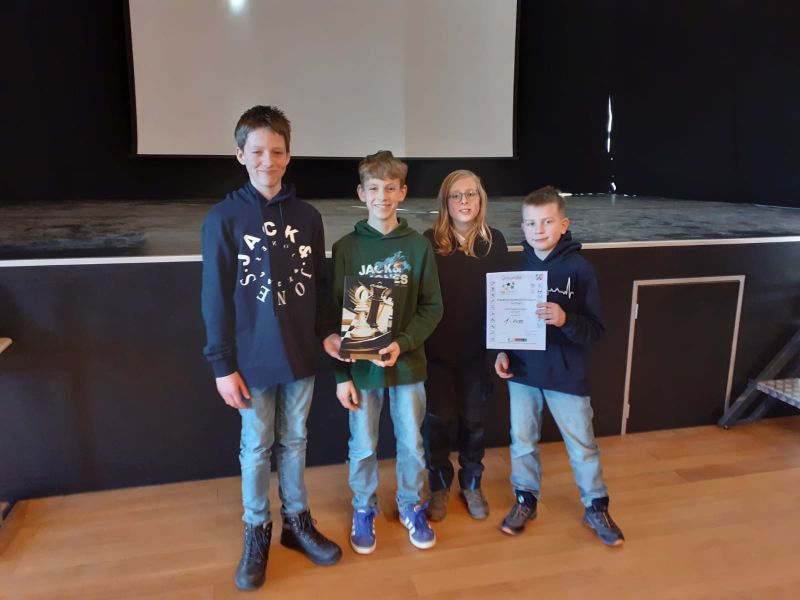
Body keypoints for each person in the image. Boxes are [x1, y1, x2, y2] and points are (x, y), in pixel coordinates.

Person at [201, 105, 342, 591]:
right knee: (257, 447)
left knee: (296, 441)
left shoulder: (307, 216)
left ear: (289, 155)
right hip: (251, 360)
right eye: (257, 151)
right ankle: (257, 530)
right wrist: (222, 365)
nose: (268, 160)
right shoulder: (223, 218)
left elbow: (319, 286)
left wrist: (326, 333)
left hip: (300, 354)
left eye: (277, 151)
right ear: (240, 155)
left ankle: (297, 524)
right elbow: (214, 297)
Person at [324, 150, 443, 555]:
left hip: (407, 366)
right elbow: (334, 318)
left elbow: (432, 307)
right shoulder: (346, 248)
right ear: (362, 193)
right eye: (374, 188)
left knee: (412, 444)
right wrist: (341, 376)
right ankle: (363, 506)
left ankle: (411, 504)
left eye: (390, 188)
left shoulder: (418, 246)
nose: (382, 197)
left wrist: (402, 343)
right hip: (361, 371)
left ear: (402, 192)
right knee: (363, 444)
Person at [494, 185, 624, 546]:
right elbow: (506, 323)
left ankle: (595, 506)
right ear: (522, 227)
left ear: (563, 225)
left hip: (566, 375)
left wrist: (566, 319)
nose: (539, 230)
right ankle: (526, 500)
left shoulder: (580, 270)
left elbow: (595, 330)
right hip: (523, 373)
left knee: (582, 445)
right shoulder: (518, 269)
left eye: (547, 221)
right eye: (531, 223)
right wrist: (502, 352)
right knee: (522, 441)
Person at [421, 170, 508, 521]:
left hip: (477, 353)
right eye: (456, 195)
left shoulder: (495, 242)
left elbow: (505, 300)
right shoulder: (428, 241)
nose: (464, 201)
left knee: (474, 422)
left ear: (481, 198)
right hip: (435, 353)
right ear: (445, 202)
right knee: (438, 422)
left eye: (470, 194)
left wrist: (503, 347)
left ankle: (472, 483)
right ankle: (439, 485)